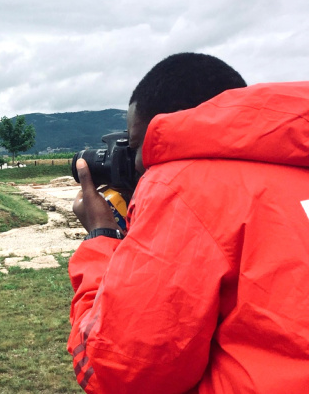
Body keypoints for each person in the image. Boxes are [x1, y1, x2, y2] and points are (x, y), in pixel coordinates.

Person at [67, 52, 309, 393]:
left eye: (140, 145)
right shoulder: (295, 162)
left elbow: (121, 371)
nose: (138, 162)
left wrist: (101, 236)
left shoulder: (182, 184)